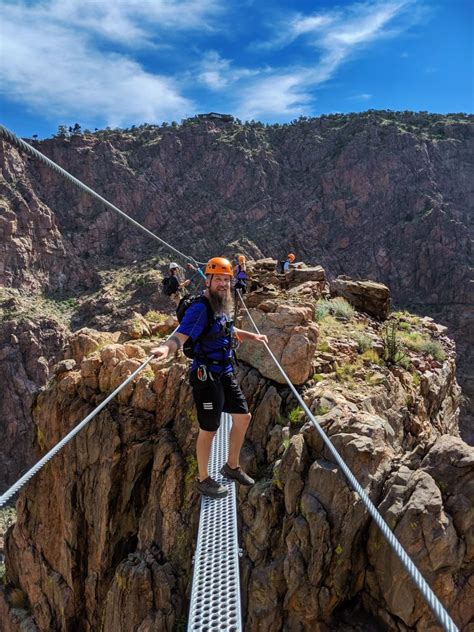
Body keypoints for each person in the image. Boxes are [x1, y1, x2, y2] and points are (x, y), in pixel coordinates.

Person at [151, 256, 268, 499]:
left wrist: (252, 337)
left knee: (243, 417)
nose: (224, 284)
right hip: (206, 376)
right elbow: (179, 337)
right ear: (209, 280)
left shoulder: (221, 304)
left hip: (224, 370)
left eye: (227, 279)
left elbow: (227, 329)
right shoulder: (200, 308)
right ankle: (203, 479)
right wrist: (165, 348)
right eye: (219, 279)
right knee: (210, 428)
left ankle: (231, 466)